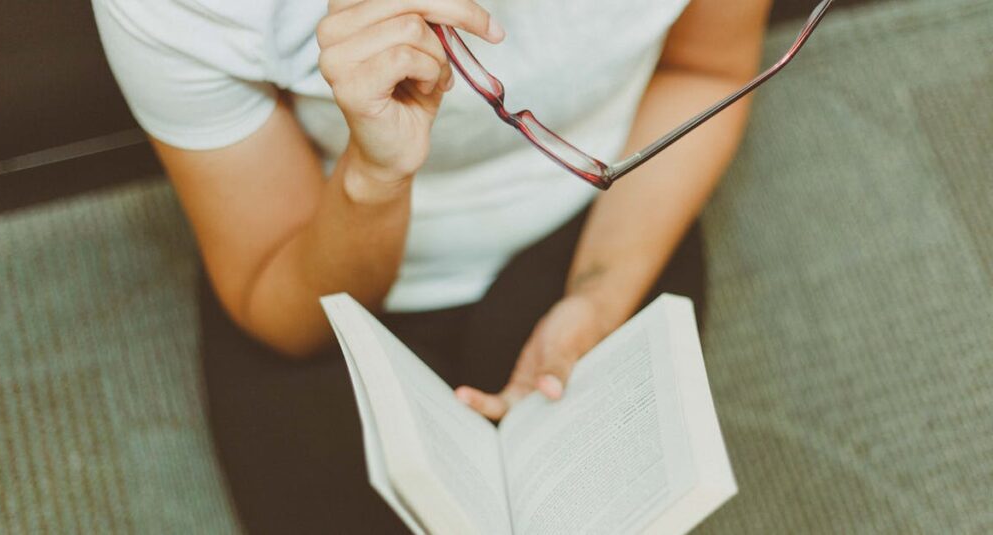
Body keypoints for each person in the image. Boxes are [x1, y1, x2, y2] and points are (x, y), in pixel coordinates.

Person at [94, 0, 770, 531]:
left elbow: (705, 70)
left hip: (603, 212)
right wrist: (374, 175)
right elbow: (279, 299)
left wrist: (600, 293)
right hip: (322, 240)